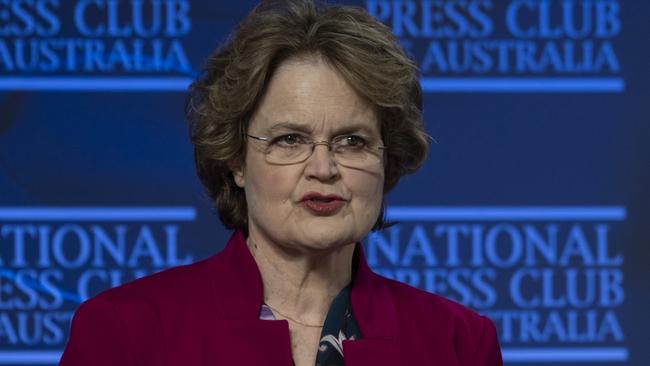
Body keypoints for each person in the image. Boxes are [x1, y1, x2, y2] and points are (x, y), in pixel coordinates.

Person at [60, 1, 502, 365]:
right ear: (235, 158)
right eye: (291, 139)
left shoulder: (459, 342)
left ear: (387, 159)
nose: (324, 168)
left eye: (352, 140)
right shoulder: (124, 331)